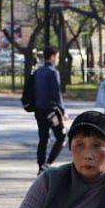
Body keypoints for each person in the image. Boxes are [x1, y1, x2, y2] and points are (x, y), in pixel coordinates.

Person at [33, 46, 67, 175]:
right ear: (52, 56)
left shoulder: (38, 71)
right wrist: (63, 111)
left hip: (38, 110)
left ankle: (41, 166)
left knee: (43, 138)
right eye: (57, 56)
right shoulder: (53, 72)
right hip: (51, 112)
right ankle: (48, 164)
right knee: (61, 136)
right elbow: (56, 94)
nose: (57, 59)